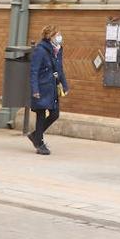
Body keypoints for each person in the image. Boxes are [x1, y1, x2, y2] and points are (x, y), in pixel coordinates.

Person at [28, 25, 69, 155]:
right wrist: (35, 89)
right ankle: (39, 143)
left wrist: (65, 85)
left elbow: (59, 69)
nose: (59, 37)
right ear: (49, 36)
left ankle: (35, 135)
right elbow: (33, 71)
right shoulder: (40, 50)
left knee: (55, 114)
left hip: (52, 87)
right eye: (57, 35)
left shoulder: (57, 50)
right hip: (41, 87)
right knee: (40, 114)